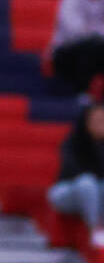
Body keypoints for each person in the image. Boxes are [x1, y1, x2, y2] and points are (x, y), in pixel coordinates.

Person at [49, 102, 104, 248]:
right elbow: (73, 171)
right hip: (67, 190)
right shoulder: (73, 142)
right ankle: (95, 228)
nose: (101, 124)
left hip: (96, 192)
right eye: (97, 120)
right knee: (87, 183)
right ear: (86, 121)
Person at [49, 0, 104, 95]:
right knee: (88, 48)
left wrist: (93, 32)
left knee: (95, 48)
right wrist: (96, 32)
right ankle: (81, 95)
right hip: (67, 52)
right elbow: (75, 31)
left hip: (97, 49)